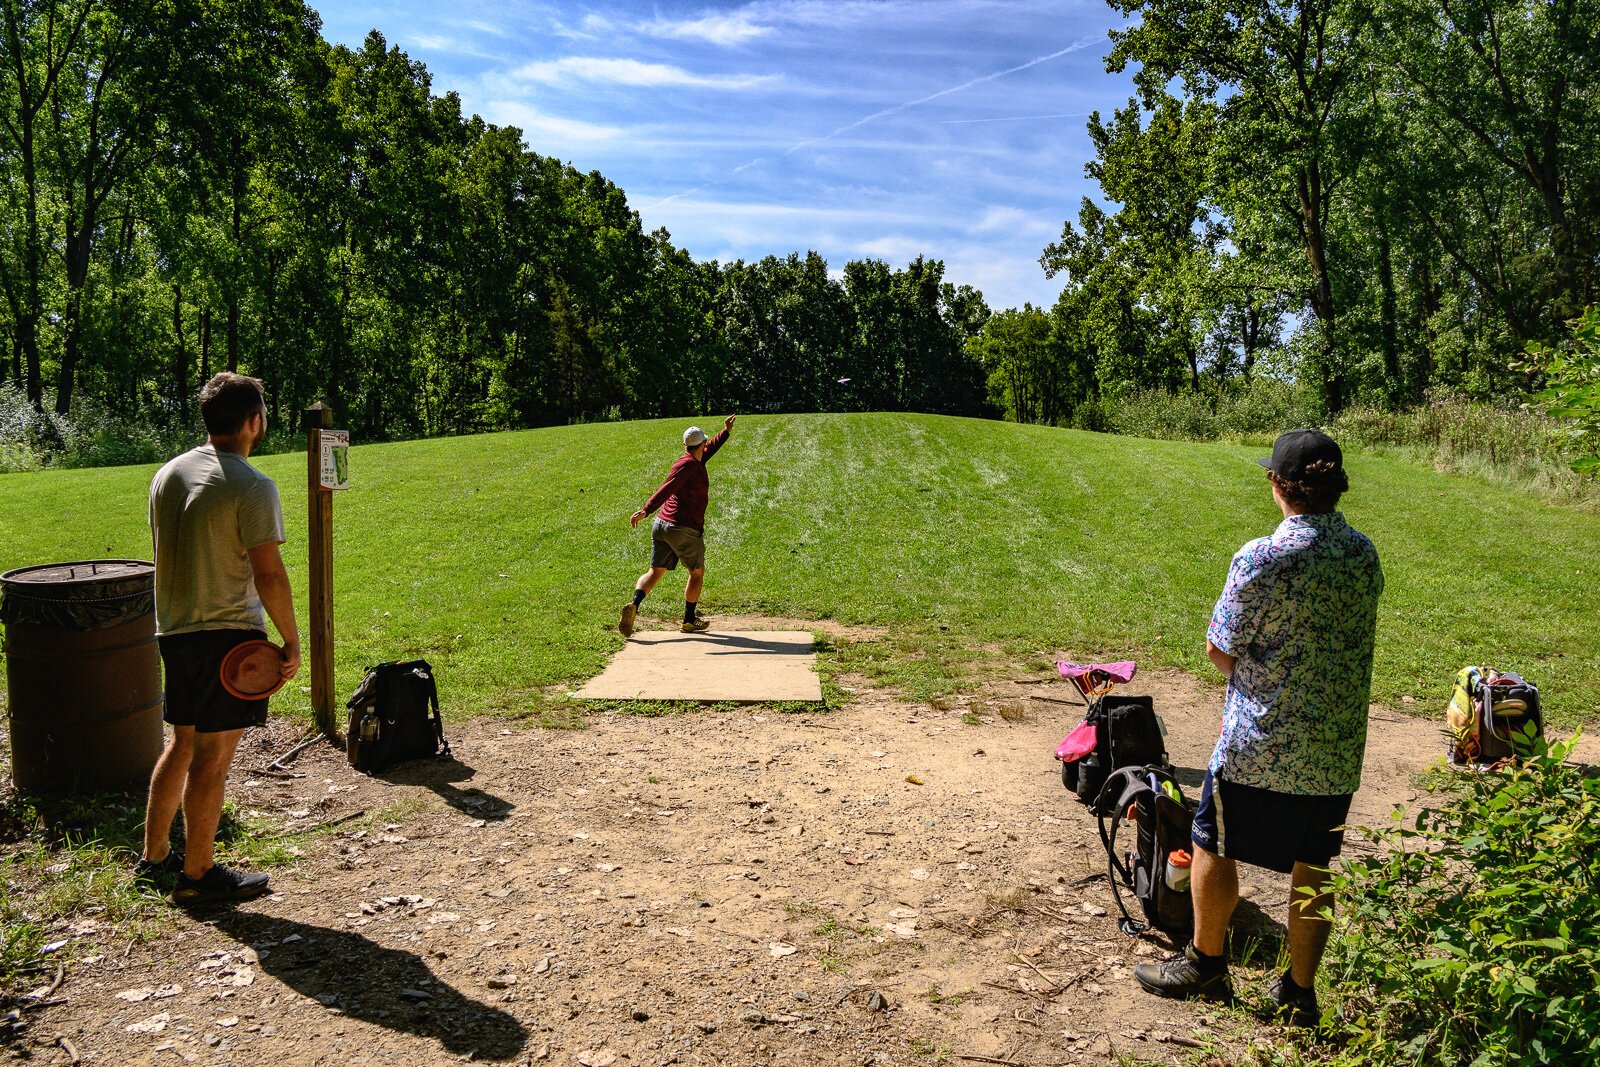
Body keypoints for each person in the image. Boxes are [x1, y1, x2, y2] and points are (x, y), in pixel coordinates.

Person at [1134, 428, 1383, 1026]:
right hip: (1334, 748)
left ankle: (1206, 963)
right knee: (1314, 865)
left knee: (1212, 841)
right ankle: (1299, 992)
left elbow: (1221, 651)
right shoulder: (1363, 553)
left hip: (1259, 744)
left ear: (1278, 483)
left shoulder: (1261, 558)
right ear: (1336, 485)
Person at [137, 373, 301, 904]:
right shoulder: (252, 485)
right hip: (226, 637)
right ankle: (199, 874)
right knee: (212, 756)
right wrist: (291, 640)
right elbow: (270, 573)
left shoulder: (169, 474)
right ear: (254, 421)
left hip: (174, 630)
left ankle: (155, 857)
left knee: (182, 744)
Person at [620, 414, 737, 636]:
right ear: (700, 443)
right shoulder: (688, 466)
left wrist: (726, 432)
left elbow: (709, 449)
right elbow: (667, 487)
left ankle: (634, 605)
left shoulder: (694, 459)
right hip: (682, 528)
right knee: (697, 572)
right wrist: (646, 508)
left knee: (655, 572)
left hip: (662, 526)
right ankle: (689, 619)